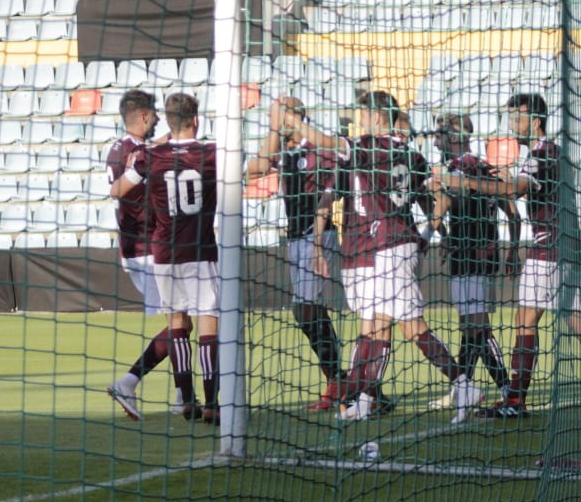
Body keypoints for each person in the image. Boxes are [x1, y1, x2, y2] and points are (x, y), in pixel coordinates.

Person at [432, 92, 581, 418]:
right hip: (569, 249)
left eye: (516, 118)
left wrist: (468, 183)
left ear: (535, 121)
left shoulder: (537, 155)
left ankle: (515, 400)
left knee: (524, 323)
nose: (511, 124)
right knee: (578, 323)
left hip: (547, 249)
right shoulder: (553, 153)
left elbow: (513, 190)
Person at [313, 90, 483, 424]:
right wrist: (429, 235)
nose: (357, 120)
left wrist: (290, 123)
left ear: (377, 117)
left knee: (406, 325)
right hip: (391, 244)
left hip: (383, 245)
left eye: (361, 114)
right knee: (376, 325)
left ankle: (463, 385)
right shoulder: (410, 154)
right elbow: (431, 197)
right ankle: (363, 398)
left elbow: (323, 142)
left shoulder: (367, 148)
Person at [111, 92, 221, 425]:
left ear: (169, 123)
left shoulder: (148, 156)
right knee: (208, 325)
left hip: (162, 252)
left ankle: (186, 399)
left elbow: (117, 190)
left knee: (176, 323)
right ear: (197, 120)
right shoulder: (214, 153)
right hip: (201, 250)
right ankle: (213, 402)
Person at [245, 95, 346, 410]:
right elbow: (255, 168)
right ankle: (341, 381)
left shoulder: (318, 148)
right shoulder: (286, 152)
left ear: (297, 116)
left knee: (307, 309)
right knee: (308, 311)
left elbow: (329, 198)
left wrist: (316, 244)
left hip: (318, 236)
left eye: (282, 114)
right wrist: (274, 130)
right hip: (296, 239)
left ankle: (339, 383)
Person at [425, 112, 520, 410]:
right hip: (474, 254)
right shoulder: (484, 167)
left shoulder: (459, 168)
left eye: (440, 133)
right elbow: (513, 215)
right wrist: (513, 249)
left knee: (477, 326)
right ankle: (463, 387)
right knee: (469, 326)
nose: (436, 139)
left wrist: (439, 234)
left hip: (473, 255)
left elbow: (438, 205)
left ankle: (505, 387)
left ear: (455, 136)